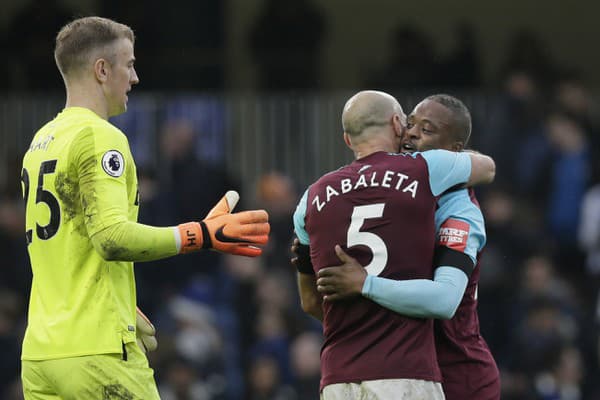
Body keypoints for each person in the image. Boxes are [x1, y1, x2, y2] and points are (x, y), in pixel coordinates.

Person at [19, 17, 270, 399]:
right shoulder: (100, 135)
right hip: (97, 354)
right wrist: (200, 234)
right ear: (102, 70)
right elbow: (111, 237)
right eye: (130, 64)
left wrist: (118, 307)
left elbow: (69, 247)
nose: (135, 78)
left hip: (42, 354)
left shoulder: (42, 140)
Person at [292, 90, 495, 399]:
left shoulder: (459, 209)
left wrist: (366, 285)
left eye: (426, 130)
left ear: (454, 152)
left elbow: (444, 300)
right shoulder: (404, 187)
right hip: (405, 368)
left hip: (458, 375)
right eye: (411, 123)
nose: (412, 133)